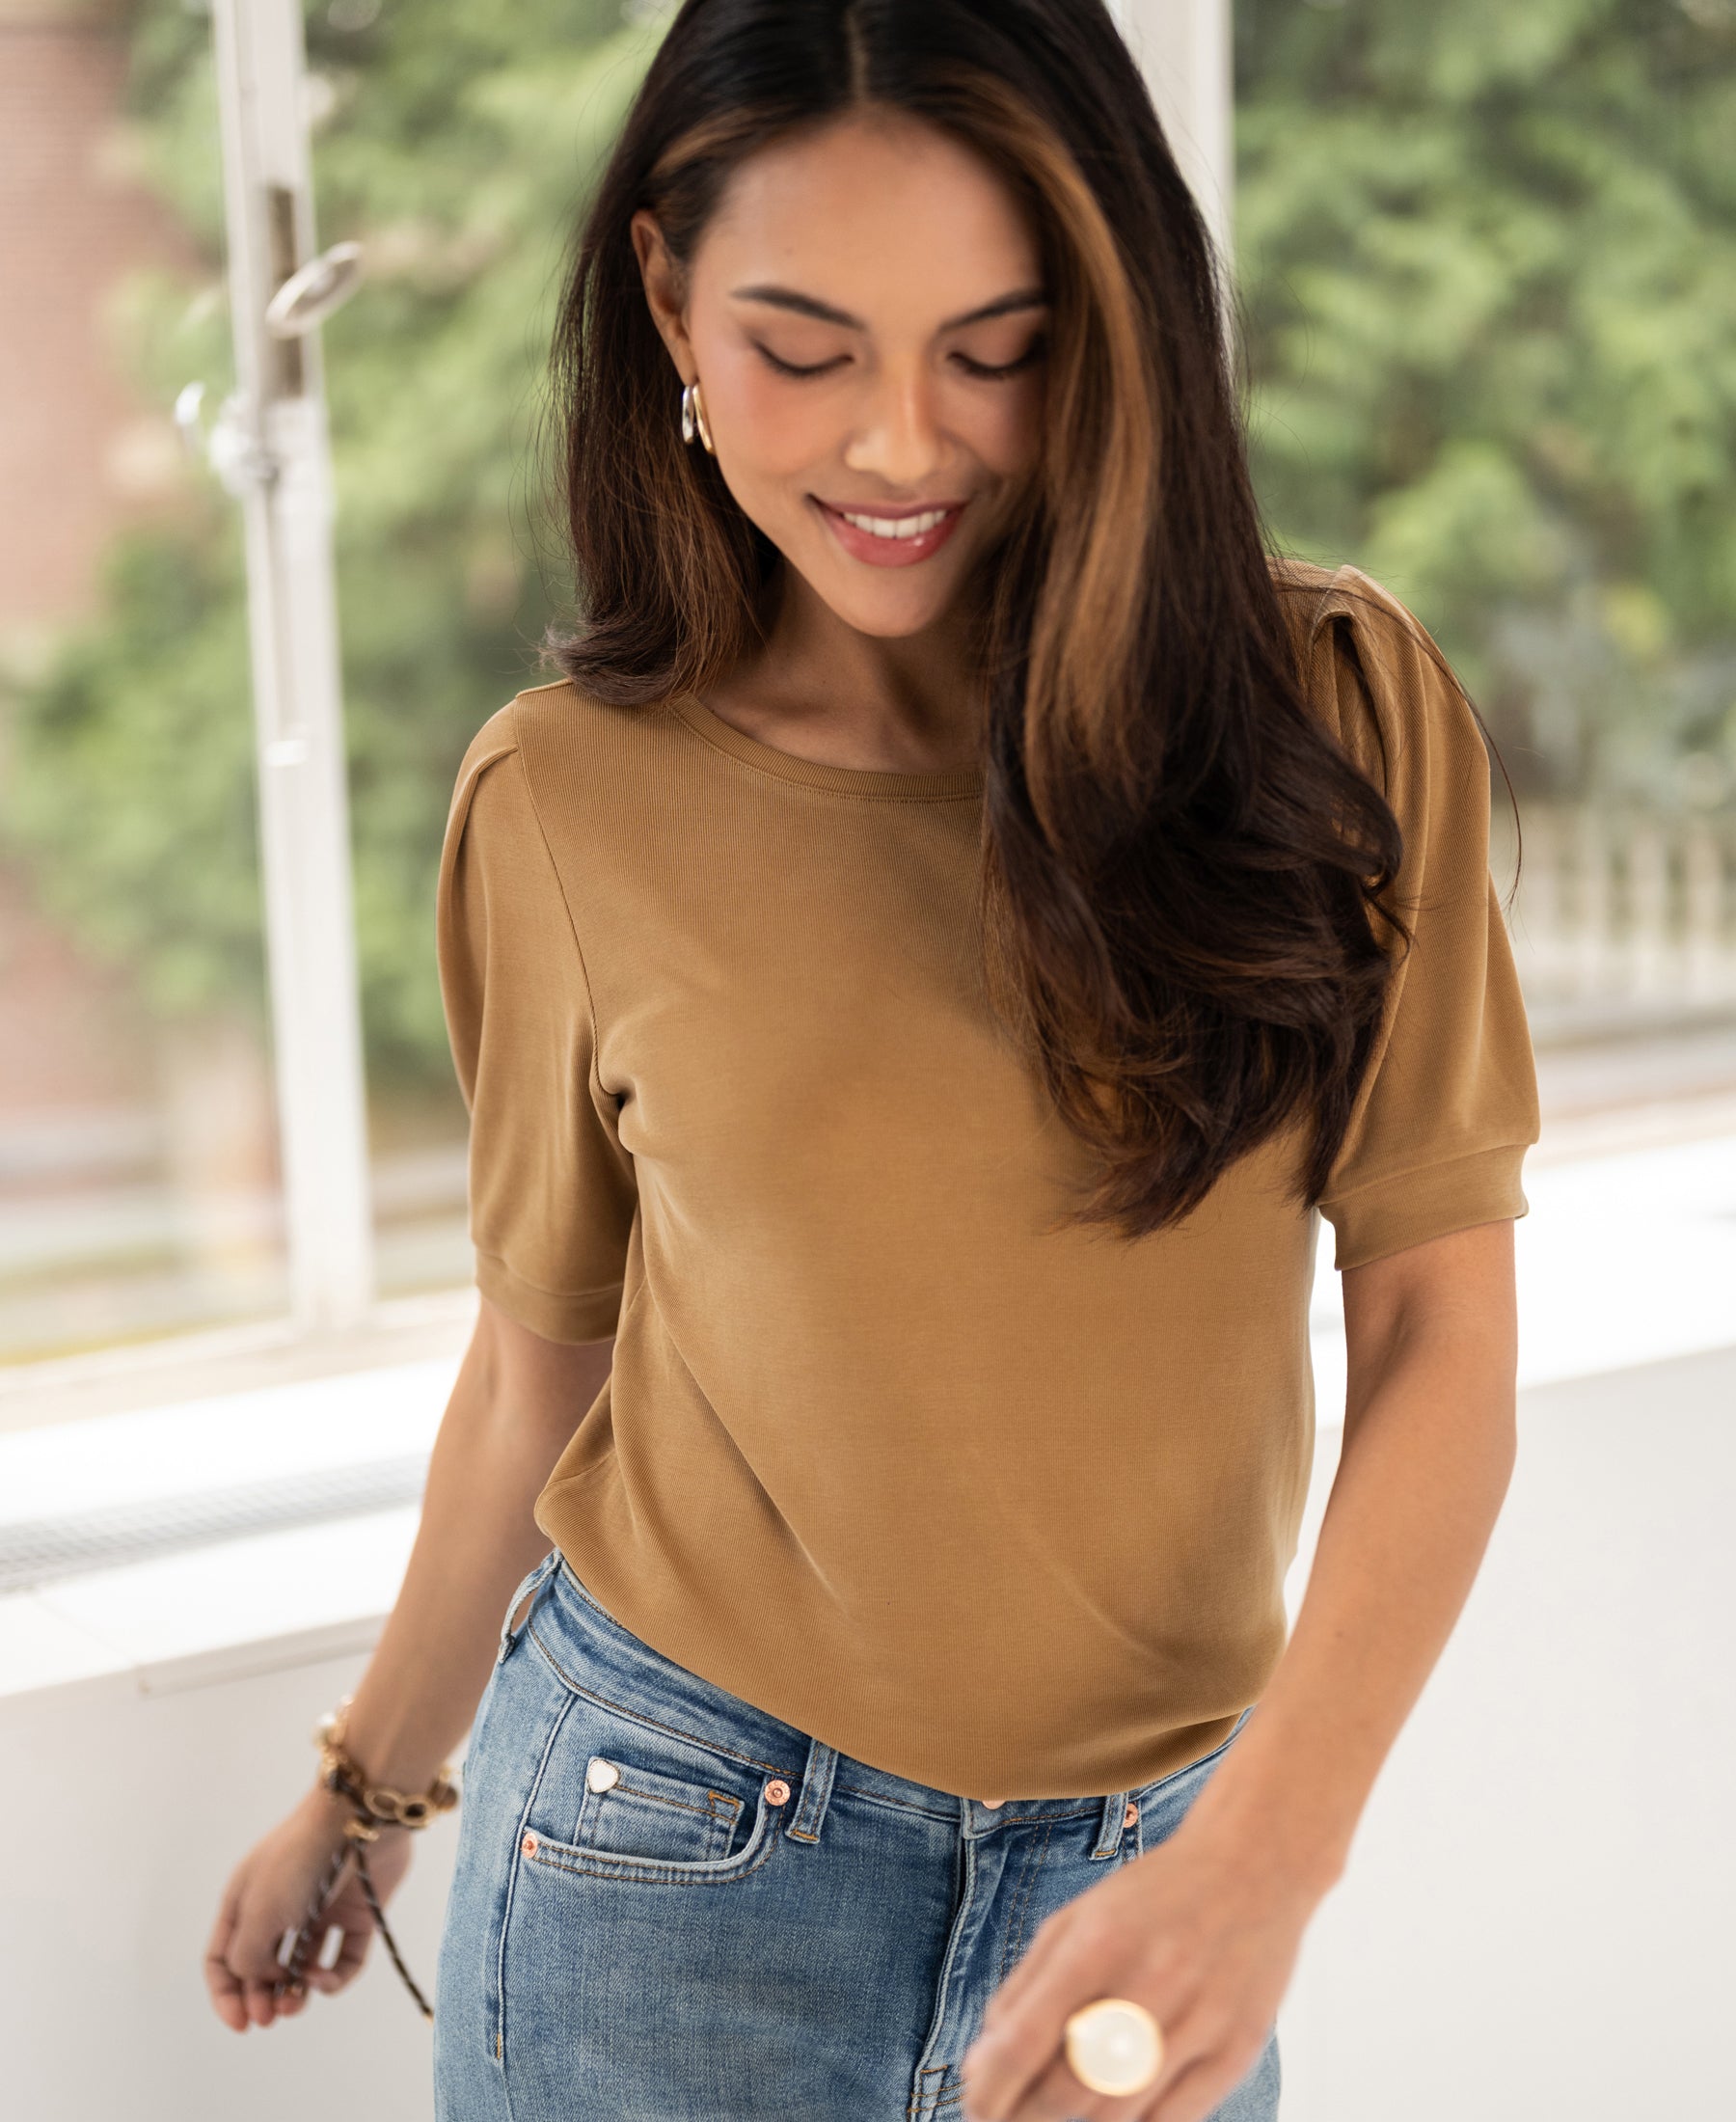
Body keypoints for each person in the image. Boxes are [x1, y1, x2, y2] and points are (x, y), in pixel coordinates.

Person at [202, 4, 1540, 2118]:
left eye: (993, 348)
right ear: (664, 293)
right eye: (804, 349)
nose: (902, 445)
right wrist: (367, 1793)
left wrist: (1267, 1854)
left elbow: (1446, 1325)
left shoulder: (1335, 714)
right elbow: (541, 1363)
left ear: (1108, 321)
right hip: (666, 1849)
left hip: (1160, 1883)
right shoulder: (566, 799)